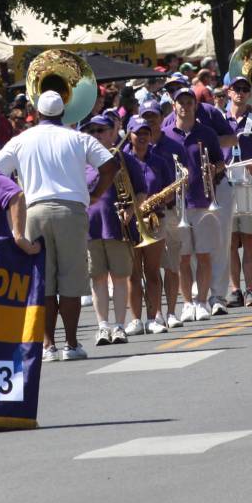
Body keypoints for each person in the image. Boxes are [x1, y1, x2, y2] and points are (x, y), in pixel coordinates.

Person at [0, 90, 117, 361]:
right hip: (70, 211)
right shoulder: (78, 137)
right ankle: (71, 344)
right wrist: (95, 194)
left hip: (34, 210)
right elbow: (110, 165)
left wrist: (15, 194)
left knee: (44, 282)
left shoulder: (21, 139)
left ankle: (48, 345)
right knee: (71, 281)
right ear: (63, 112)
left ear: (37, 113)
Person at [162, 87, 225, 322]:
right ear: (174, 105)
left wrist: (213, 169)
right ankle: (187, 302)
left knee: (204, 255)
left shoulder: (206, 133)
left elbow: (220, 163)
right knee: (183, 258)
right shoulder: (165, 134)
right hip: (178, 205)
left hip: (203, 200)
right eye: (181, 102)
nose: (185, 106)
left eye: (189, 102)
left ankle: (202, 301)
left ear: (194, 105)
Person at [81, 115, 145, 345]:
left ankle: (119, 325)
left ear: (111, 132)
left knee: (119, 277)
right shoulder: (81, 160)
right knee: (97, 279)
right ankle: (103, 326)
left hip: (117, 226)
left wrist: (131, 211)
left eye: (101, 130)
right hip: (90, 227)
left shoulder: (123, 158)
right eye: (92, 131)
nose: (96, 135)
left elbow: (140, 191)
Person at [138, 100, 188, 327]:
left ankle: (171, 312)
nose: (150, 121)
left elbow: (181, 179)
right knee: (148, 269)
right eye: (145, 117)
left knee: (171, 265)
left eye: (154, 117)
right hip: (141, 217)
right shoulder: (130, 151)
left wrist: (164, 197)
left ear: (160, 118)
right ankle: (153, 314)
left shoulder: (173, 146)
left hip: (167, 212)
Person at [122, 115, 172, 335]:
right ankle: (135, 319)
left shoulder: (159, 160)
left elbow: (171, 190)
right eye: (137, 133)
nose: (142, 137)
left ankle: (154, 316)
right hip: (130, 222)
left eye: (145, 133)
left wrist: (160, 199)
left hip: (154, 220)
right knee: (132, 273)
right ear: (129, 135)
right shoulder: (121, 160)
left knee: (151, 271)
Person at [223, 89, 252, 307]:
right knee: (230, 241)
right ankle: (235, 290)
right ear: (229, 92)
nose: (240, 93)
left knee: (251, 238)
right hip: (225, 183)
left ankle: (250, 289)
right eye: (236, 88)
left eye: (243, 88)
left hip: (249, 182)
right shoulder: (219, 119)